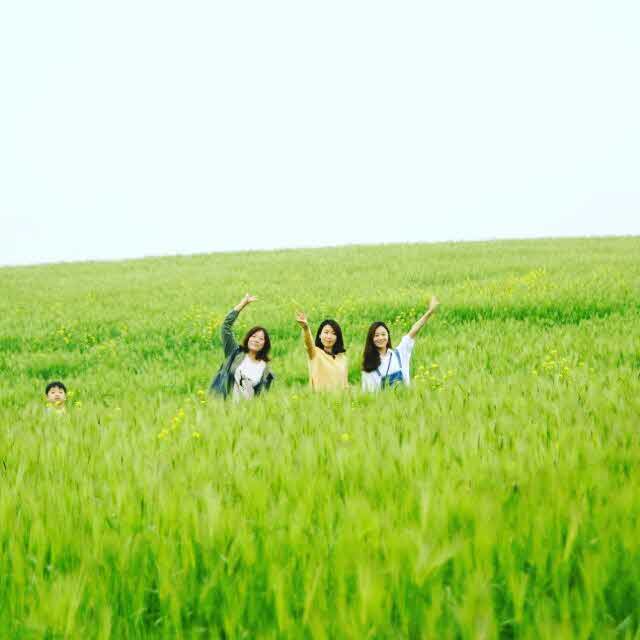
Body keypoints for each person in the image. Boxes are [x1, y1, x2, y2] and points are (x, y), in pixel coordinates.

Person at [361, 296, 440, 392]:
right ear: (371, 339)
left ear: (388, 336)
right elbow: (368, 395)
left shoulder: (400, 353)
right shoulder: (368, 366)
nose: (380, 338)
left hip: (408, 400)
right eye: (376, 335)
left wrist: (430, 312)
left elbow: (414, 330)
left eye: (383, 334)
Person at [209, 294, 275, 400]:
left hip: (247, 407)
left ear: (265, 345)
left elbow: (261, 398)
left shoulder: (265, 369)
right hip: (225, 404)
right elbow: (226, 327)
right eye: (253, 336)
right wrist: (243, 304)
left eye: (261, 339)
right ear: (248, 339)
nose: (256, 340)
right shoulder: (235, 353)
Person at [295, 311, 348, 391]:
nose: (329, 336)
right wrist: (306, 328)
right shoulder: (315, 353)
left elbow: (345, 385)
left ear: (337, 337)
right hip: (320, 397)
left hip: (339, 398)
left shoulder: (342, 358)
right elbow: (308, 344)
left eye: (333, 333)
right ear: (320, 335)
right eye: (326, 332)